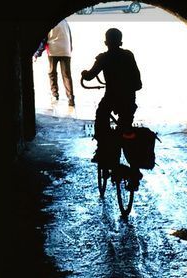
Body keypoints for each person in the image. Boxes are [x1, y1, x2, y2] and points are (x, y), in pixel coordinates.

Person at [82, 27, 142, 176]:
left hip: (111, 98)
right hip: (128, 99)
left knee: (101, 117)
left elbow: (89, 76)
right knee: (126, 127)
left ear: (106, 42)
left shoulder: (103, 58)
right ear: (121, 41)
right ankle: (134, 165)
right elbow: (138, 83)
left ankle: (102, 148)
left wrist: (84, 73)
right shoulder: (128, 55)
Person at [37, 18, 75, 107]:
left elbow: (44, 39)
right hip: (65, 49)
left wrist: (37, 53)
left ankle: (55, 94)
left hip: (53, 50)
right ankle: (71, 97)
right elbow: (70, 35)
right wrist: (69, 48)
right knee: (66, 75)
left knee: (52, 72)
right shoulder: (65, 21)